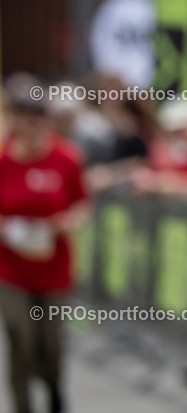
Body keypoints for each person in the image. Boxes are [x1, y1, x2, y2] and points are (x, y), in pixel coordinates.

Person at [0, 86, 88, 413]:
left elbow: (82, 204)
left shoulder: (65, 158)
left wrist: (61, 223)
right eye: (25, 118)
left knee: (50, 346)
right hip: (10, 269)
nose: (31, 126)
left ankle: (53, 385)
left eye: (38, 119)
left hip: (53, 268)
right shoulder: (4, 159)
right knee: (19, 337)